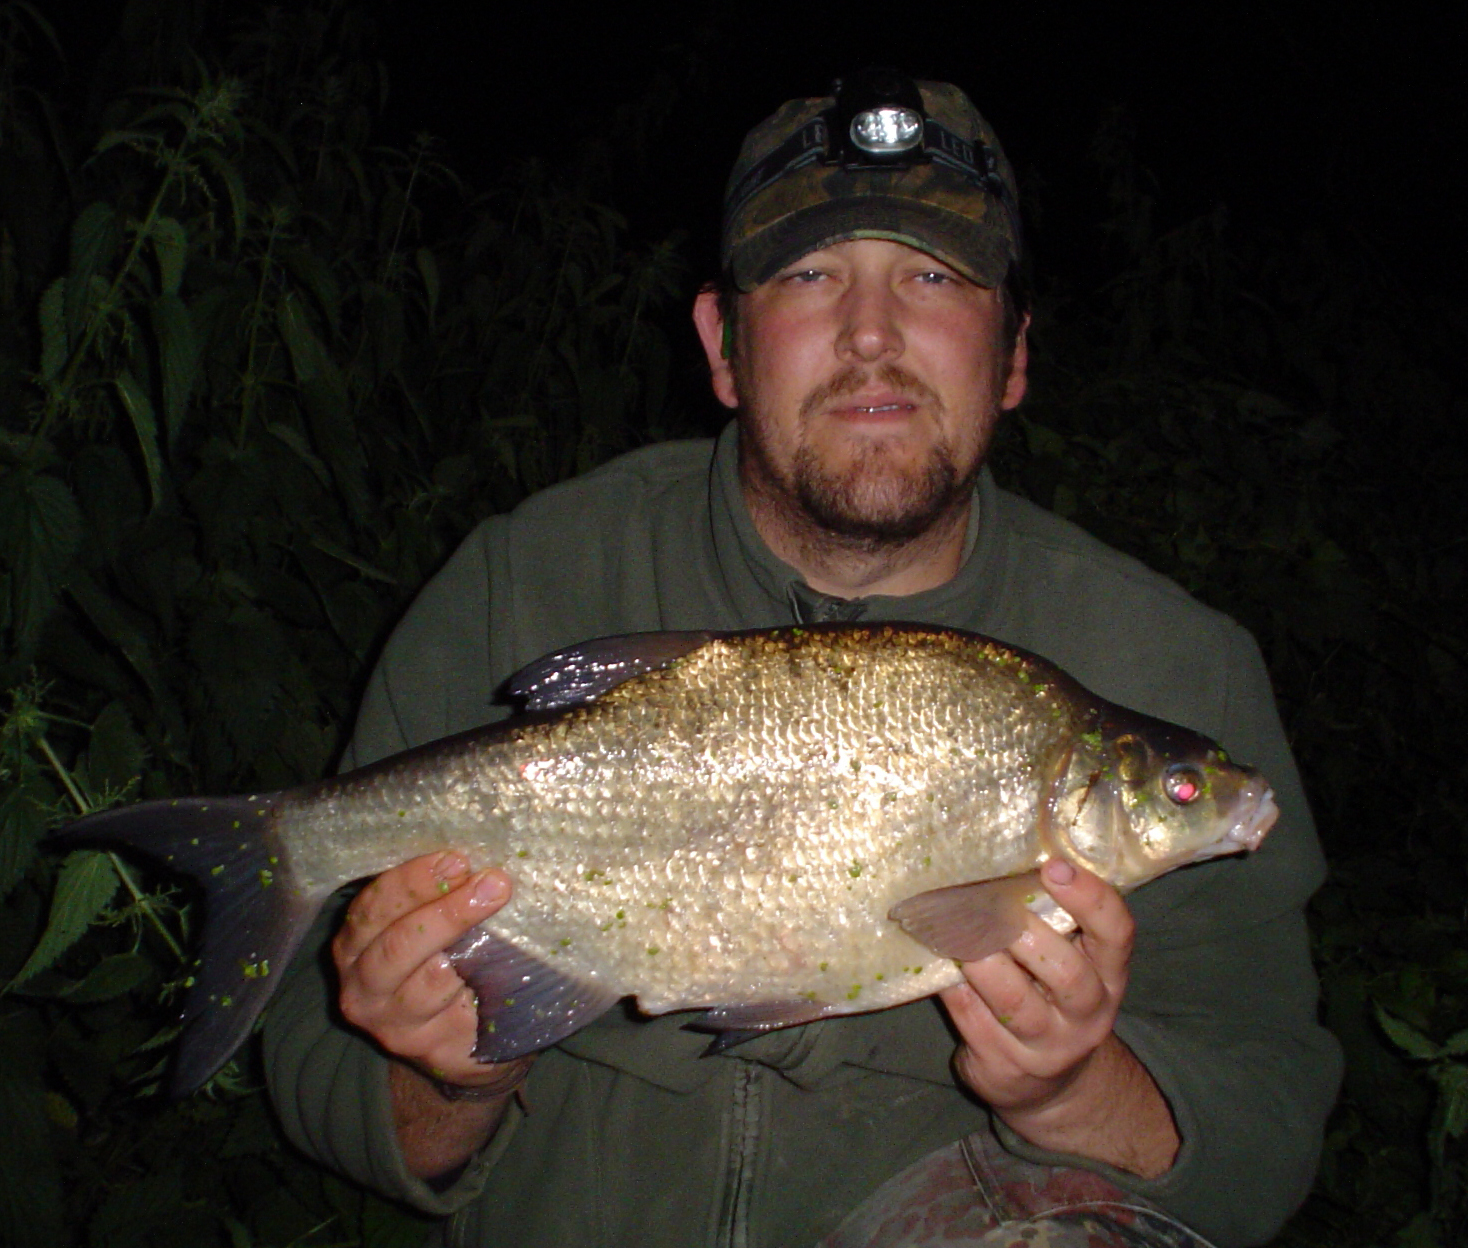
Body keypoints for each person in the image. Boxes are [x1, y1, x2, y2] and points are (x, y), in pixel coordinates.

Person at [262, 70, 1341, 1248]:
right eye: (809, 275)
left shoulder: (1176, 661)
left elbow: (1267, 1144)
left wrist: (1070, 1093)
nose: (871, 335)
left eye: (934, 277)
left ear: (1014, 352)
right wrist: (452, 1075)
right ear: (723, 346)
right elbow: (324, 1096)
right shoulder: (519, 581)